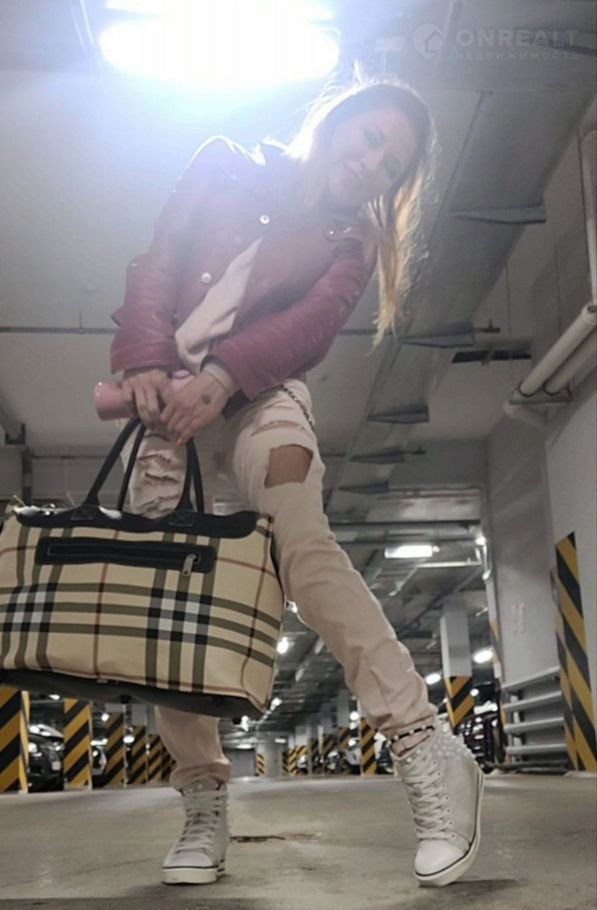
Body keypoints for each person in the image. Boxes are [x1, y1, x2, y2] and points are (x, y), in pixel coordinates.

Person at [110, 78, 484, 889]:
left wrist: (224, 376)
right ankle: (202, 798)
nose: (374, 163)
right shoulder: (223, 165)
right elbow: (158, 261)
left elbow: (307, 328)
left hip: (262, 397)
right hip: (167, 405)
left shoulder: (352, 242)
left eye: (393, 164)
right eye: (371, 138)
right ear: (336, 121)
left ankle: (425, 745)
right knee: (171, 600)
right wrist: (141, 359)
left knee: (302, 546)